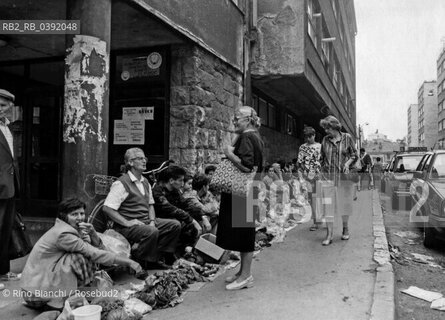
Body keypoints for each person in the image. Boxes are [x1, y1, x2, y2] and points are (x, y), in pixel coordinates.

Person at [21, 198, 143, 307]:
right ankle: (68, 299)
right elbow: (95, 254)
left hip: (39, 288)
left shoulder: (71, 229)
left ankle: (78, 294)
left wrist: (93, 233)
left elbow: (99, 249)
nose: (80, 218)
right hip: (35, 295)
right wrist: (129, 262)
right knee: (79, 257)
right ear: (64, 216)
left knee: (84, 254)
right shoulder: (64, 234)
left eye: (82, 213)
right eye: (74, 214)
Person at [103, 148, 181, 269]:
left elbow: (150, 205)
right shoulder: (121, 183)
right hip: (126, 226)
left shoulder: (145, 182)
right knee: (151, 231)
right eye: (140, 158)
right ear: (130, 162)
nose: (144, 161)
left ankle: (155, 257)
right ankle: (140, 260)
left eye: (145, 158)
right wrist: (127, 223)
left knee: (174, 225)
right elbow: (107, 208)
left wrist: (151, 221)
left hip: (144, 222)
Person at [216, 105, 264, 291]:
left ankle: (246, 276)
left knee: (244, 233)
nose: (234, 120)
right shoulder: (254, 137)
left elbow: (247, 165)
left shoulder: (246, 137)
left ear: (248, 120)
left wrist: (229, 154)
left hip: (241, 190)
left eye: (237, 118)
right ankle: (242, 272)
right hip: (247, 189)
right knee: (244, 231)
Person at [319, 115, 358, 246]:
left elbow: (354, 155)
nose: (326, 131)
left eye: (327, 128)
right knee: (328, 205)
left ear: (334, 127)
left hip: (344, 178)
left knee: (344, 204)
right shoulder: (325, 140)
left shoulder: (347, 138)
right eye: (324, 128)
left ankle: (345, 228)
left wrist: (347, 164)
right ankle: (329, 234)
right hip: (328, 178)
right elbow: (322, 158)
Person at [152, 165, 202, 253]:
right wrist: (192, 220)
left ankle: (187, 250)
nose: (182, 183)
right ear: (171, 180)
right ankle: (169, 254)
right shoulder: (158, 191)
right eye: (180, 180)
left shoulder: (175, 191)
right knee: (184, 224)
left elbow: (186, 204)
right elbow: (171, 209)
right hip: (161, 219)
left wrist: (202, 217)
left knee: (195, 211)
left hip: (173, 217)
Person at [0, 89, 21, 284]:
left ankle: (4, 271)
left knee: (5, 230)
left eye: (3, 106)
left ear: (10, 108)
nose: (0, 109)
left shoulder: (8, 127)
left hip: (9, 185)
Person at [297, 126, 321, 231]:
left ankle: (320, 218)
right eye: (306, 137)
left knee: (320, 199)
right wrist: (302, 177)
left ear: (314, 135)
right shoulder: (302, 147)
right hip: (308, 178)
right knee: (311, 199)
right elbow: (299, 162)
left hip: (318, 176)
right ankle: (315, 221)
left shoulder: (320, 146)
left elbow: (323, 161)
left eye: (310, 137)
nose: (308, 139)